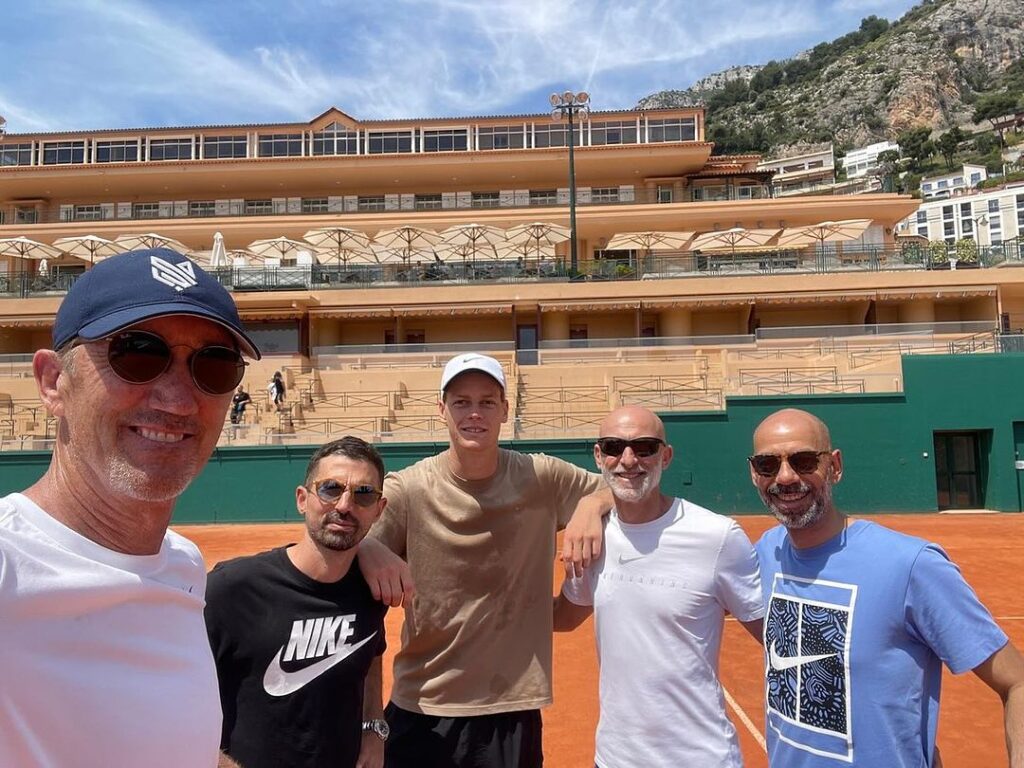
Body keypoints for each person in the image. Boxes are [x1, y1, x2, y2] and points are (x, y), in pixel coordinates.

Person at [0, 248, 261, 767]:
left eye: (214, 365)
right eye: (138, 353)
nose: (179, 400)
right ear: (54, 382)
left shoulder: (183, 564)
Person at [360, 352, 611, 768]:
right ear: (441, 410)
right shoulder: (409, 489)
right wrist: (369, 547)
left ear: (504, 410)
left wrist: (593, 502)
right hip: (423, 704)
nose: (474, 413)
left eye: (486, 402)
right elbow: (345, 541)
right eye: (461, 402)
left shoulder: (541, 477)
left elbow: (622, 489)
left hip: (510, 709)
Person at [749, 408, 1024, 768]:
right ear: (754, 474)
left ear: (834, 466)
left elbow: (1016, 682)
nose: (785, 477)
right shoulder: (765, 553)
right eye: (768, 464)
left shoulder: (910, 564)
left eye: (803, 460)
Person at [555, 405, 764, 768]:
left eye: (645, 447)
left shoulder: (717, 537)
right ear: (598, 456)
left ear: (665, 456)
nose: (629, 459)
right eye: (614, 447)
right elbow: (564, 616)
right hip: (614, 759)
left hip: (702, 758)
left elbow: (774, 635)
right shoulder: (590, 537)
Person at [206, 436, 391, 768]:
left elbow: (371, 653)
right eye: (331, 489)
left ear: (379, 509)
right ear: (302, 499)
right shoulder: (231, 589)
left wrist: (373, 730)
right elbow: (172, 695)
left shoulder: (371, 591)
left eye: (364, 494)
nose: (345, 506)